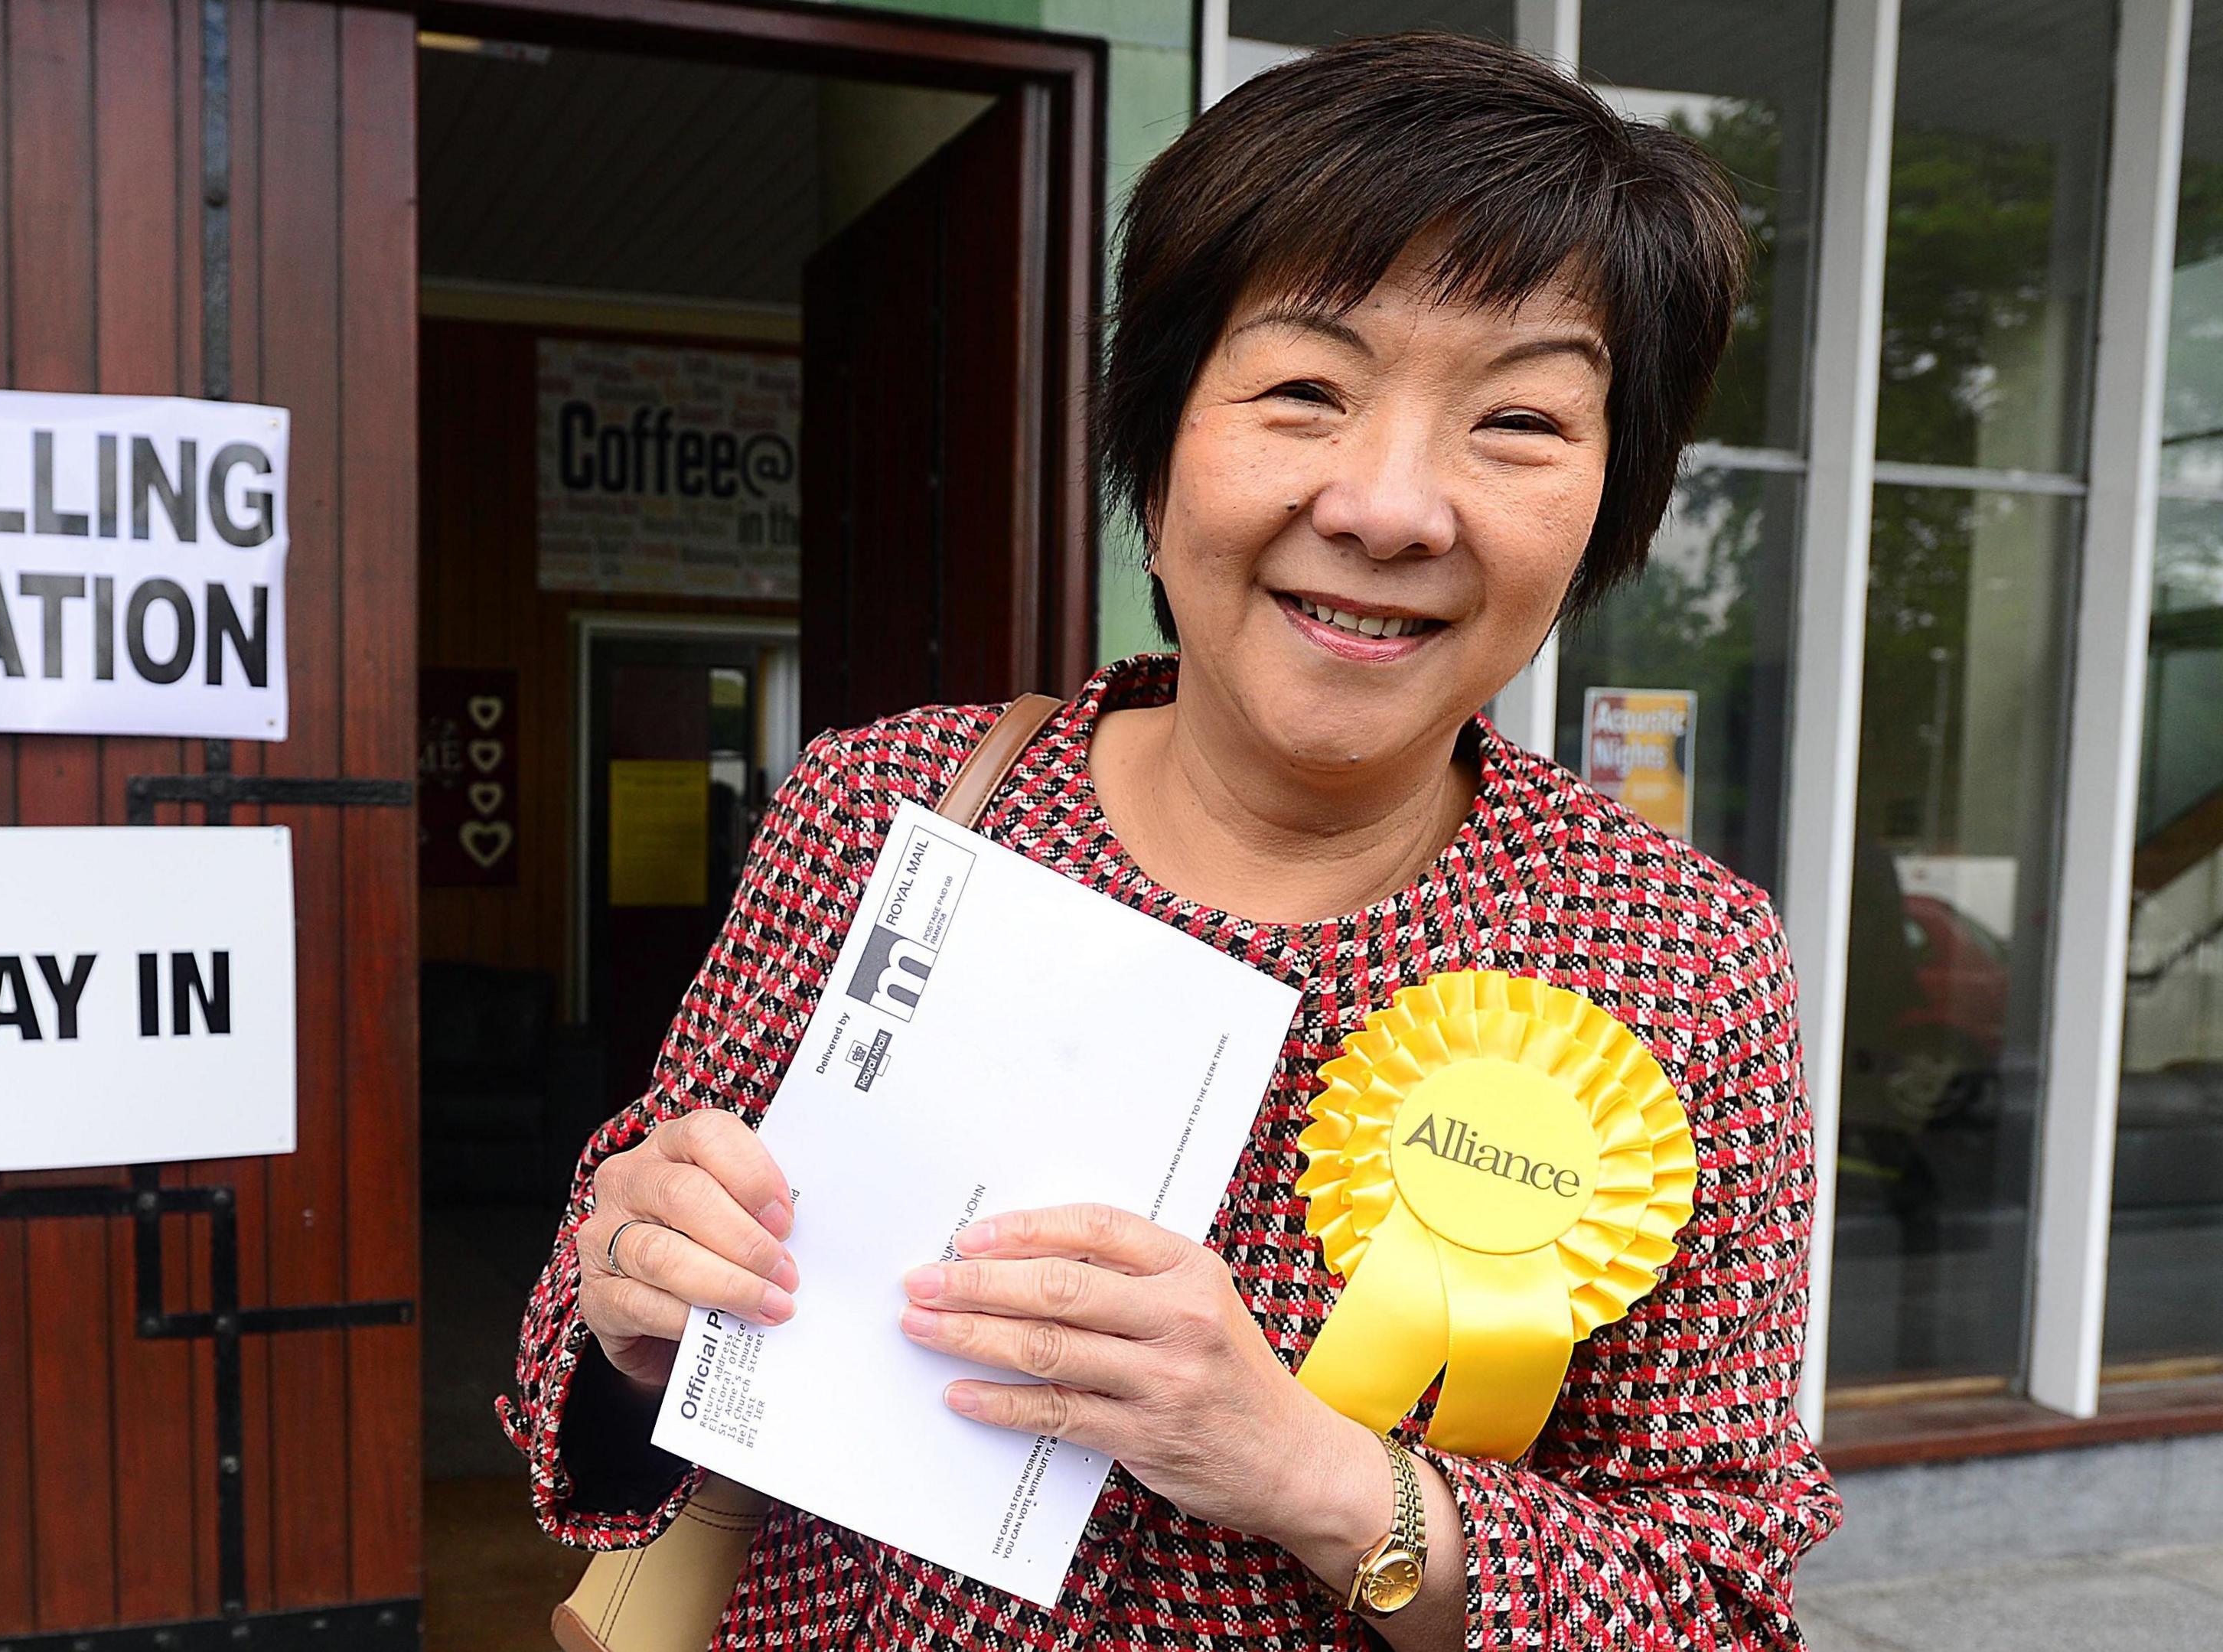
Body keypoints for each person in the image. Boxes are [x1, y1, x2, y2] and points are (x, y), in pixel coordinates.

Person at [501, 31, 1840, 1650]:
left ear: (1611, 500)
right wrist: (637, 1298)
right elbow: (604, 1313)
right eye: (1305, 391)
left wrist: (1310, 1472)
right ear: (1161, 425)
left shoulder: (1678, 956)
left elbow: (1714, 1588)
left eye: (1520, 425)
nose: (1393, 506)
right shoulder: (889, 809)